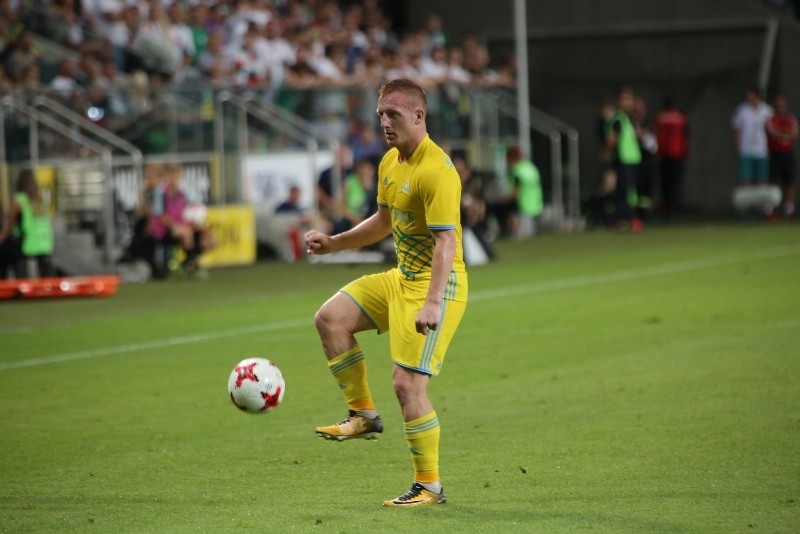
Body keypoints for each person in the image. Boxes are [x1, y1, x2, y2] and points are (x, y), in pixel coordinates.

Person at [304, 79, 468, 507]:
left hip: (437, 285)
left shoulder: (438, 171)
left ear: (419, 115)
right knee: (330, 319)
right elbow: (383, 220)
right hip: (401, 278)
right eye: (380, 114)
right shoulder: (390, 162)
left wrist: (432, 302)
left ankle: (429, 486)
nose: (384, 122)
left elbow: (446, 243)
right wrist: (334, 243)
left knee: (406, 384)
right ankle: (362, 414)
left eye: (393, 114)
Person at [0, 168, 54, 278]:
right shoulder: (39, 199)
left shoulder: (19, 200)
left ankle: (6, 280)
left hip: (27, 243)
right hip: (45, 243)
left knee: (5, 252)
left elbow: (9, 226)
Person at [605, 85, 644, 231]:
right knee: (624, 191)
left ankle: (627, 218)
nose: (627, 102)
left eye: (629, 99)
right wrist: (610, 153)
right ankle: (622, 219)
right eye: (624, 99)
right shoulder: (617, 119)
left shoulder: (628, 119)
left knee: (630, 191)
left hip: (632, 159)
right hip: (623, 159)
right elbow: (611, 140)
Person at [654, 97, 690, 222]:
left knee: (665, 184)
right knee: (676, 184)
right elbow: (686, 136)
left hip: (663, 154)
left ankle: (666, 209)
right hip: (677, 154)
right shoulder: (681, 118)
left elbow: (656, 134)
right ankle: (674, 210)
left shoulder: (660, 118)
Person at [731, 86, 773, 186]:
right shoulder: (742, 110)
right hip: (746, 149)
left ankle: (761, 195)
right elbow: (736, 128)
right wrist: (738, 144)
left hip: (762, 150)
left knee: (762, 179)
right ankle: (747, 195)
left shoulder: (767, 110)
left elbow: (771, 129)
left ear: (757, 96)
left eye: (751, 95)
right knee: (745, 178)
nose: (749, 98)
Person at [765, 93, 798, 218]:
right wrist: (785, 133)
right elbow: (773, 133)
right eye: (778, 106)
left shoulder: (790, 118)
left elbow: (795, 133)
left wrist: (783, 132)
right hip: (775, 154)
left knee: (789, 182)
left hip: (788, 153)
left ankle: (789, 209)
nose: (781, 109)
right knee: (772, 182)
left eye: (782, 106)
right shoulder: (771, 119)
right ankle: (769, 210)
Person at [504, 146, 543, 238]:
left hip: (522, 205)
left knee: (522, 235)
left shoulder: (517, 171)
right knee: (533, 234)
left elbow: (515, 191)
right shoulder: (531, 168)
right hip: (536, 203)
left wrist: (504, 199)